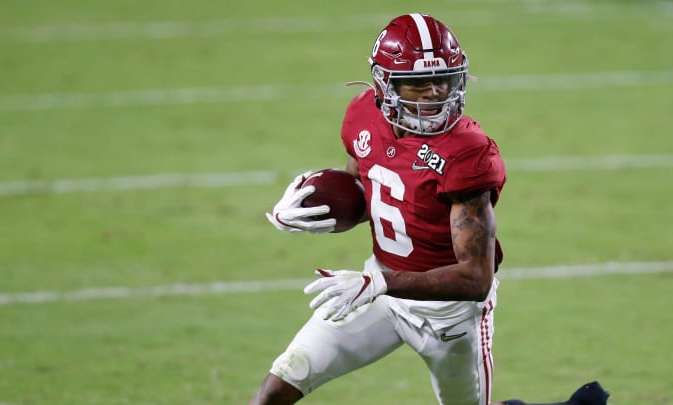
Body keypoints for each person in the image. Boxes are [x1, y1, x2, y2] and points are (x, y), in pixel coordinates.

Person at [251, 13, 608, 405]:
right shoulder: (363, 114)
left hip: (449, 317)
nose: (436, 92)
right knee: (276, 388)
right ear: (384, 84)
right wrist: (309, 204)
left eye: (444, 79)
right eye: (419, 83)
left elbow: (475, 278)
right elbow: (363, 186)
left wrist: (381, 284)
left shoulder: (467, 151)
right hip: (377, 291)